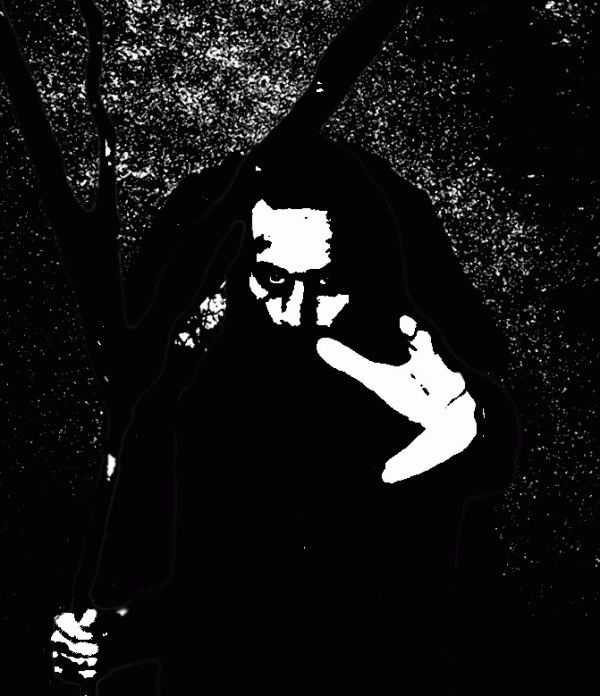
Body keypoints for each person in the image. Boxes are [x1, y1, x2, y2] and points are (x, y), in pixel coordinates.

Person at [52, 136, 519, 694]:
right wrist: (119, 634)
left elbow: (497, 448)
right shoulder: (204, 382)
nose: (297, 311)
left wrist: (472, 423)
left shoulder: (400, 369)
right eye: (273, 279)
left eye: (325, 284)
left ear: (365, 269)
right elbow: (225, 584)